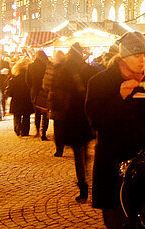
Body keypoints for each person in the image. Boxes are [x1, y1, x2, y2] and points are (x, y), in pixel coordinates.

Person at [85, 31, 145, 229]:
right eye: (137, 55)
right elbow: (96, 121)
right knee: (115, 216)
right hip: (112, 159)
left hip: (144, 158)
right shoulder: (99, 82)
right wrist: (120, 99)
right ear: (123, 57)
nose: (142, 60)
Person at [50, 43, 99, 203]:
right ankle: (88, 177)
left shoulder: (64, 71)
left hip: (71, 116)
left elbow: (58, 93)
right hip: (87, 115)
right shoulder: (90, 70)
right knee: (85, 150)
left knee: (78, 152)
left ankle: (83, 184)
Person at [44, 50, 65, 156]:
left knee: (57, 125)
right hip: (67, 100)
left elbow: (45, 84)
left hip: (55, 99)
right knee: (65, 123)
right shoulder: (68, 68)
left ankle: (59, 148)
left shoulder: (52, 69)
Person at [27, 50, 50, 140]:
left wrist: (32, 87)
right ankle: (43, 132)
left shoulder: (31, 66)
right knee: (45, 113)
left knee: (37, 112)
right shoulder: (47, 65)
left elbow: (27, 80)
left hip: (35, 91)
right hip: (45, 90)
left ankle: (37, 130)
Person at [7, 59, 34, 137]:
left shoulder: (14, 78)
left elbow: (10, 91)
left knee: (17, 115)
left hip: (16, 99)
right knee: (26, 116)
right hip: (26, 99)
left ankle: (17, 128)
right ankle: (25, 131)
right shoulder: (29, 78)